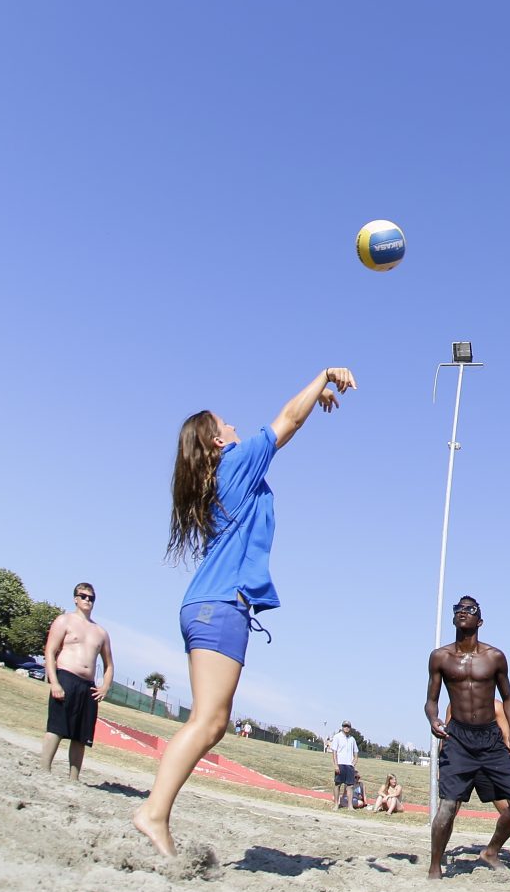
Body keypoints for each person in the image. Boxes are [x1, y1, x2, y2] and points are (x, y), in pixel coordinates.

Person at [131, 366, 356, 856]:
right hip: (218, 608)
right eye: (226, 423)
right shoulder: (234, 462)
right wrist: (322, 377)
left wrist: (313, 401)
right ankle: (153, 812)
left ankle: (155, 812)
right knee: (208, 723)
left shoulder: (226, 475)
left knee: (211, 722)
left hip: (207, 606)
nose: (234, 426)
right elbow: (287, 421)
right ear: (215, 441)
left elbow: (291, 421)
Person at [424, 595, 510, 879]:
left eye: (469, 610)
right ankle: (435, 867)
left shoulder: (494, 657)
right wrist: (433, 719)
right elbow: (431, 700)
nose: (463, 612)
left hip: (491, 740)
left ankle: (491, 850)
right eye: (458, 609)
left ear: (479, 620)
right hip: (458, 738)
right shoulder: (440, 657)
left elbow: (508, 698)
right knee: (448, 806)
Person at [40, 582, 114, 781]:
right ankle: (44, 770)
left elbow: (109, 665)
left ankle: (74, 778)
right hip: (66, 678)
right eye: (83, 596)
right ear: (75, 598)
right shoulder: (64, 621)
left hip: (88, 687)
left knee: (81, 736)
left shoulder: (101, 632)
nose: (87, 600)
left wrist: (105, 686)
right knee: (56, 728)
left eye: (91, 598)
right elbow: (50, 651)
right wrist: (54, 682)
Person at [328, 721, 361, 809]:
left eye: (348, 726)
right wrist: (336, 765)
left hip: (349, 766)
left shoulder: (352, 739)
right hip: (340, 764)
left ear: (350, 728)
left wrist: (354, 763)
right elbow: (334, 752)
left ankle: (350, 806)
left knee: (350, 786)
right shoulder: (337, 737)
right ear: (342, 727)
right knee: (337, 784)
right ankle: (336, 804)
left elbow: (356, 752)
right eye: (345, 726)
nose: (346, 727)